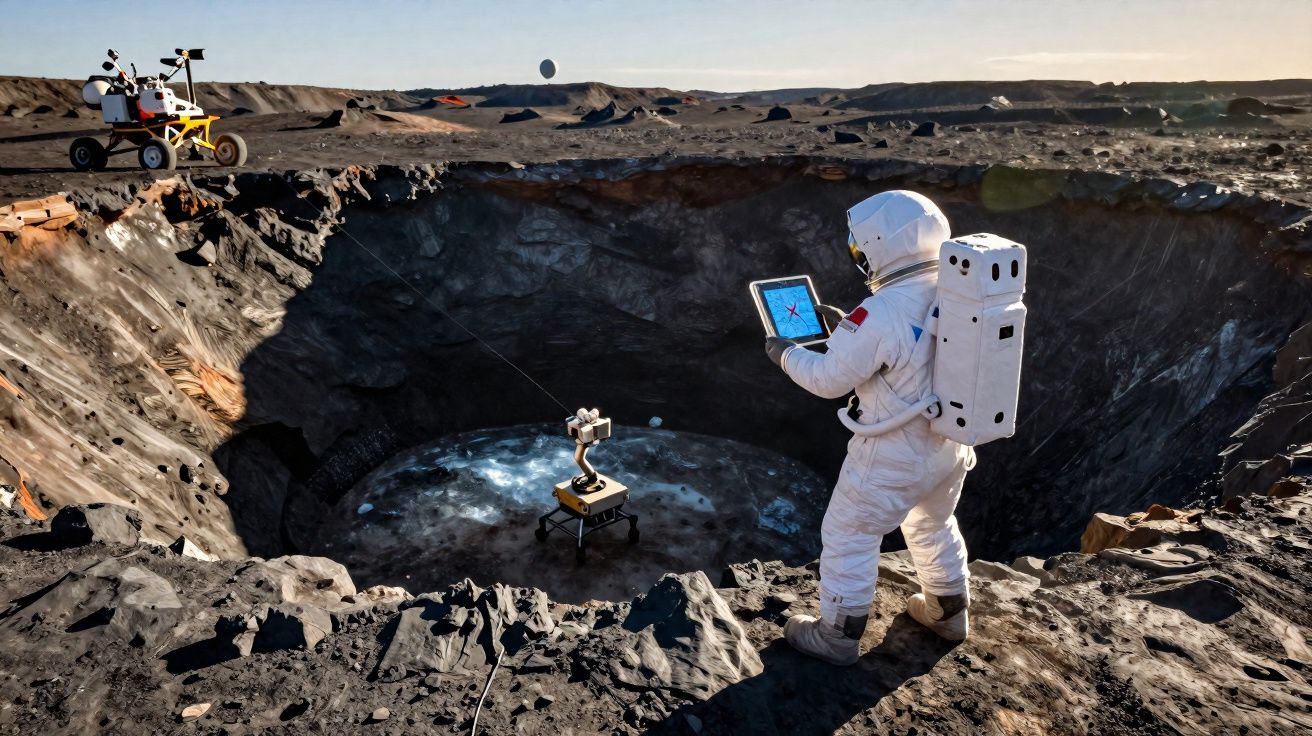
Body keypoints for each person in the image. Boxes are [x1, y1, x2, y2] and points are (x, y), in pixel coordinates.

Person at [763, 190, 975, 666]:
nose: (859, 258)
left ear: (881, 246)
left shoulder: (880, 311)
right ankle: (948, 613)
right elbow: (912, 352)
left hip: (893, 450)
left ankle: (837, 636)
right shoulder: (961, 292)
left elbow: (827, 380)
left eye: (859, 250)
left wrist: (785, 354)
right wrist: (849, 331)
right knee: (932, 521)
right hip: (950, 443)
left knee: (850, 532)